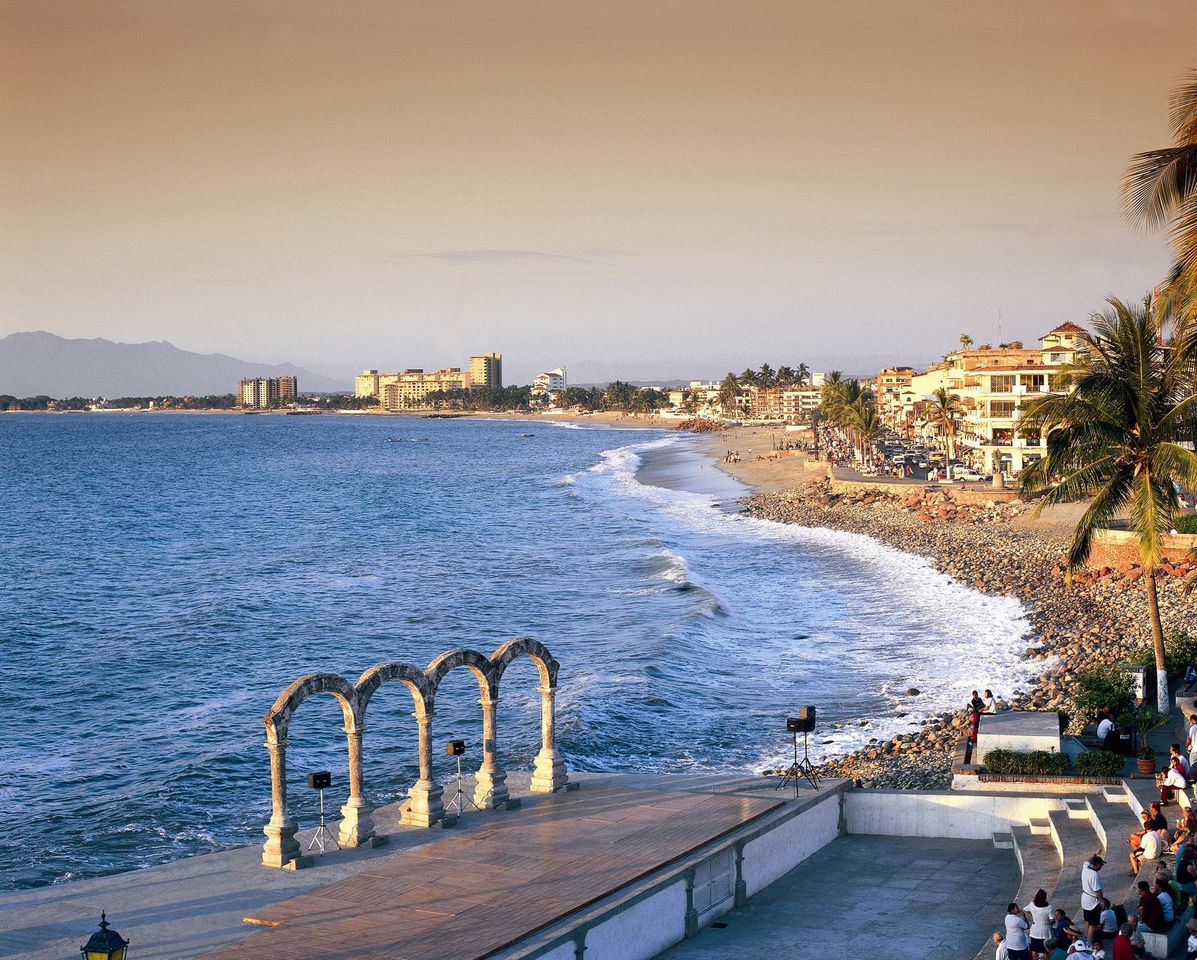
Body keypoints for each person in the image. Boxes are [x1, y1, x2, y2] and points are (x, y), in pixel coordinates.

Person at [1082, 856, 1106, 943]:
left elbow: (1087, 860)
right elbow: (1097, 891)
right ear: (1097, 865)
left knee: (1088, 921)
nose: (1101, 867)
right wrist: (1102, 902)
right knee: (1093, 924)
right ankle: (1089, 943)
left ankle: (1086, 938)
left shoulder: (1085, 867)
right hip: (1093, 902)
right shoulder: (1094, 875)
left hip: (1085, 899)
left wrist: (1095, 854)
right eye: (1101, 865)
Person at [1026, 889, 1054, 960]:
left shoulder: (1031, 904)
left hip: (1035, 931)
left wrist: (1033, 916)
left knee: (1034, 950)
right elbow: (1052, 919)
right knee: (1045, 951)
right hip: (1045, 931)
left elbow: (1025, 909)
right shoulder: (1048, 907)